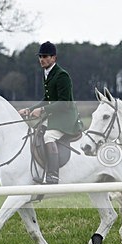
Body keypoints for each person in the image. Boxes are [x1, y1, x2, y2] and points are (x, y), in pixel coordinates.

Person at [19, 41, 81, 184]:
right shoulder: (47, 73)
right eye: (40, 56)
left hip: (66, 118)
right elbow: (48, 99)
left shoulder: (62, 75)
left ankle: (53, 175)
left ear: (54, 58)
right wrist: (30, 110)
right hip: (55, 116)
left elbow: (64, 103)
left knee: (48, 137)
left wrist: (42, 110)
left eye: (45, 56)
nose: (42, 59)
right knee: (36, 132)